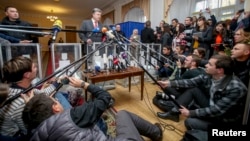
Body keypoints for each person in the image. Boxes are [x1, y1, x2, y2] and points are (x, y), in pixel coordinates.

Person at [22, 77, 163, 141]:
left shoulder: (33, 134)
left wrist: (32, 105)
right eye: (56, 100)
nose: (57, 101)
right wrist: (84, 85)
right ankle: (156, 133)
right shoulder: (73, 117)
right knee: (122, 114)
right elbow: (105, 97)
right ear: (56, 108)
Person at [157, 55, 247, 131]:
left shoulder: (236, 88)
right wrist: (169, 83)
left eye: (210, 64)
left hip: (222, 120)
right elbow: (191, 82)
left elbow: (217, 110)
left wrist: (191, 113)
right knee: (193, 89)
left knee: (189, 122)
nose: (206, 65)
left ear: (220, 70)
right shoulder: (209, 75)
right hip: (211, 106)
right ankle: (173, 112)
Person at [0, 56, 71, 139]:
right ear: (27, 75)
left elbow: (41, 93)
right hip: (19, 136)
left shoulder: (20, 87)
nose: (36, 68)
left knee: (58, 95)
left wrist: (58, 82)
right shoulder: (20, 103)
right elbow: (31, 130)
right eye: (34, 67)